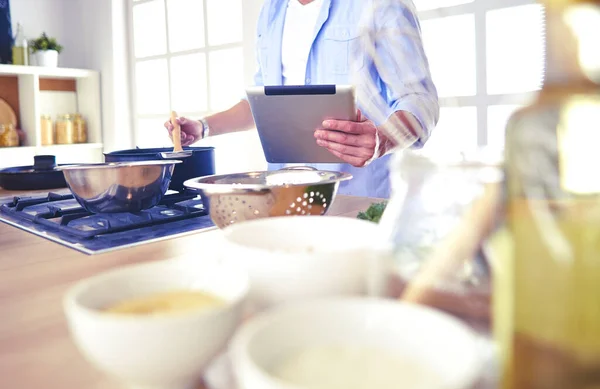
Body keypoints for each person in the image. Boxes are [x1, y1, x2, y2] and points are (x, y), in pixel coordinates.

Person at [165, 0, 439, 198]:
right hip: (285, 198)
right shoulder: (271, 11)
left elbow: (420, 102)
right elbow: (263, 104)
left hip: (361, 201)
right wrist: (203, 126)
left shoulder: (381, 4)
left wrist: (382, 141)